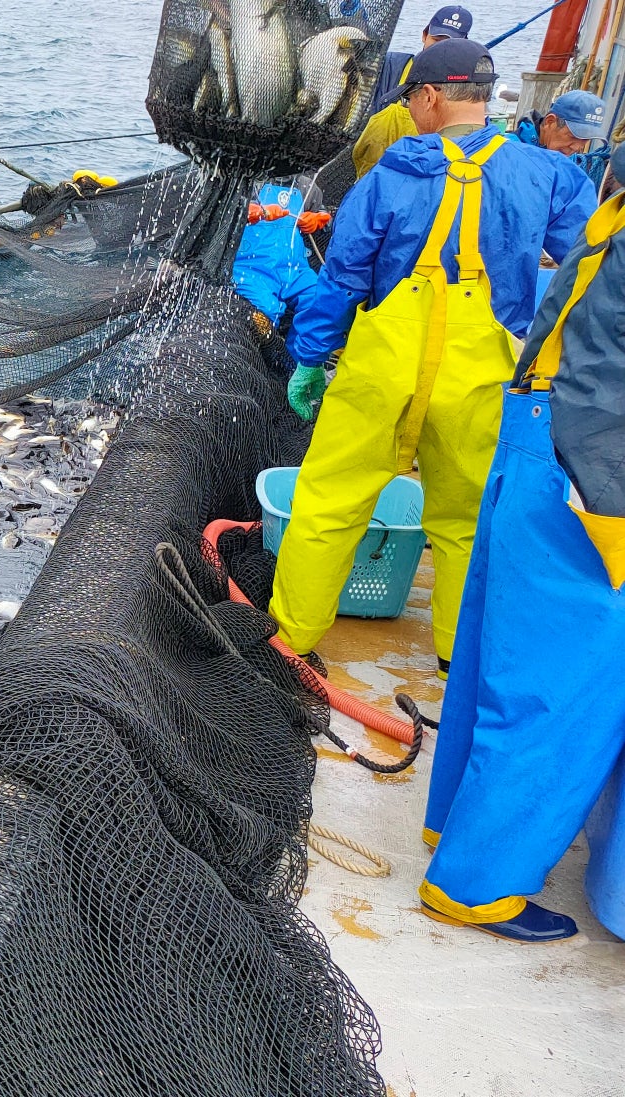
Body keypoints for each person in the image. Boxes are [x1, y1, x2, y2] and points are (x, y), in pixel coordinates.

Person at [275, 39, 594, 677]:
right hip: (482, 373)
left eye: (412, 102)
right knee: (468, 519)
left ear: (428, 97)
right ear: (481, 99)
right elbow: (589, 261)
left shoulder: (389, 176)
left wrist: (310, 359)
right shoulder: (549, 173)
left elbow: (340, 283)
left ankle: (292, 643)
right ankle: (454, 654)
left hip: (384, 366)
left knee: (329, 503)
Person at [420, 191, 625, 943]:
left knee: (491, 661)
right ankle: (477, 885)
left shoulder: (615, 219)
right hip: (593, 485)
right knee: (560, 694)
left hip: (540, 447)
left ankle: (454, 825)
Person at [352, 5, 473, 179]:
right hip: (371, 175)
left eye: (450, 44)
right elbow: (362, 53)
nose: (440, 49)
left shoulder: (464, 89)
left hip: (425, 180)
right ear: (424, 35)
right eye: (437, 40)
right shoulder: (390, 65)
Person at [231, 182, 329, 332]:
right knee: (263, 312)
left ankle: (297, 354)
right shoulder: (248, 180)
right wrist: (244, 211)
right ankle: (267, 350)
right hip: (252, 271)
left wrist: (320, 219)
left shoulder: (306, 186)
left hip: (296, 271)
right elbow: (220, 211)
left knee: (323, 303)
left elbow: (326, 216)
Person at [513, 88, 607, 159]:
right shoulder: (509, 149)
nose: (577, 147)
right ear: (550, 121)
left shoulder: (569, 159)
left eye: (586, 139)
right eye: (573, 136)